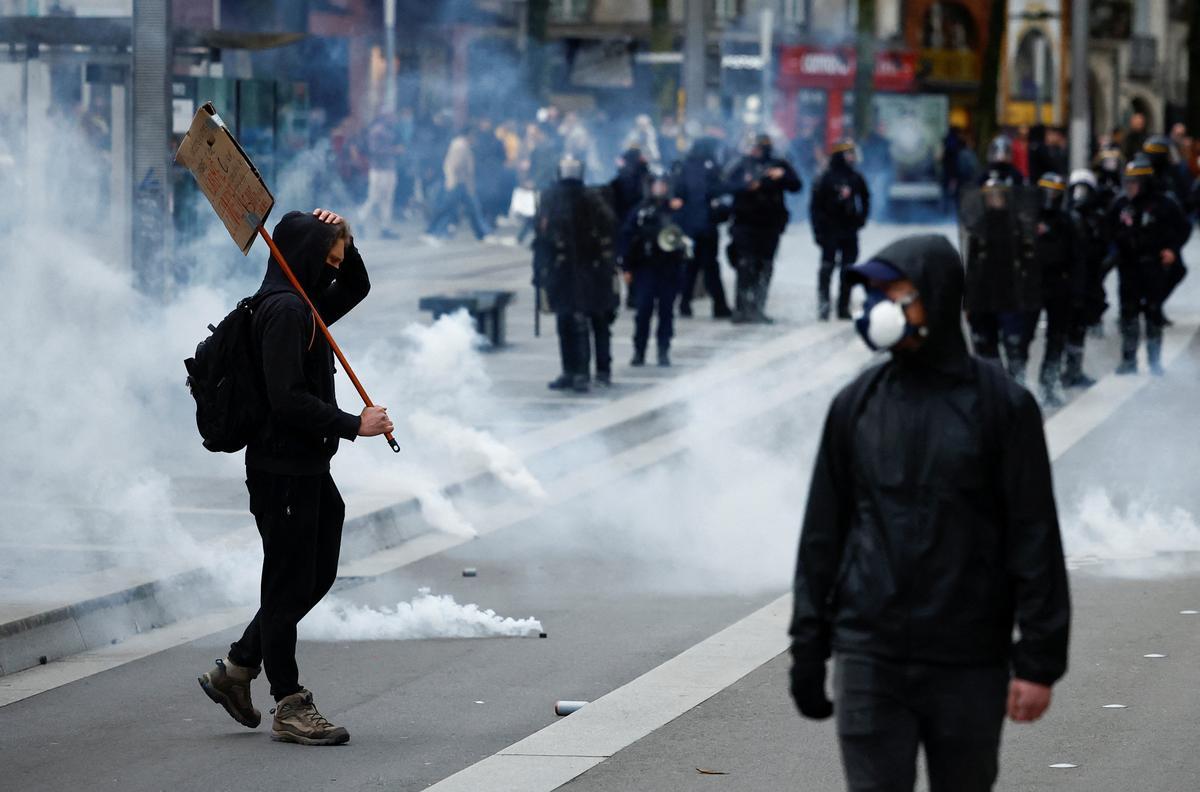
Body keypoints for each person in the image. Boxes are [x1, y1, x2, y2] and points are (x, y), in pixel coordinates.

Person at [789, 234, 1071, 792]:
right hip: (870, 653)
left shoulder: (1002, 406)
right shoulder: (856, 404)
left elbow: (1033, 537)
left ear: (937, 298)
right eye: (874, 293)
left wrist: (1039, 662)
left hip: (967, 658)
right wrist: (807, 648)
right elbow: (824, 534)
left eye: (895, 291)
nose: (880, 306)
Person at [198, 209, 391, 746]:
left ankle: (237, 669)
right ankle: (289, 703)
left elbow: (359, 285)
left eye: (336, 262)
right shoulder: (285, 311)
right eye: (327, 262)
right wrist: (356, 424)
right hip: (281, 471)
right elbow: (287, 402)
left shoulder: (306, 302)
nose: (334, 273)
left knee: (315, 573)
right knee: (285, 587)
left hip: (307, 468)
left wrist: (344, 240)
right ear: (305, 259)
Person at [534, 155, 619, 391]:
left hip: (590, 269)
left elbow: (609, 229)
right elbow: (541, 239)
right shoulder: (551, 199)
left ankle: (598, 371)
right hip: (563, 270)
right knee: (565, 320)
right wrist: (539, 270)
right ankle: (570, 370)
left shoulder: (593, 198)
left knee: (595, 320)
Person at [1110, 156, 1189, 375]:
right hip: (1128, 266)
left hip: (1153, 265)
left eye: (1134, 183)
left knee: (1153, 312)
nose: (1130, 187)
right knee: (1128, 313)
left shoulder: (1165, 203)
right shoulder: (1120, 204)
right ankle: (1128, 360)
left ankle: (1155, 361)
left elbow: (1183, 228)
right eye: (1127, 183)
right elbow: (1108, 230)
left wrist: (1172, 249)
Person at [724, 133, 802, 323]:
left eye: (759, 148)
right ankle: (741, 308)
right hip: (744, 223)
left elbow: (796, 185)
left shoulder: (778, 165)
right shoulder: (740, 164)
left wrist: (782, 176)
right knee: (744, 265)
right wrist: (746, 186)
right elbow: (725, 184)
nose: (755, 151)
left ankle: (758, 308)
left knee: (764, 267)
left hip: (770, 225)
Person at [623, 170, 687, 367]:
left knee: (666, 312)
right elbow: (627, 237)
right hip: (646, 267)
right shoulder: (640, 211)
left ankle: (663, 350)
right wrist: (626, 266)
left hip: (669, 268)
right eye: (656, 185)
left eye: (663, 185)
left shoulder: (676, 210)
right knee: (643, 311)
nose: (659, 188)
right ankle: (639, 351)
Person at [1031, 173, 1079, 407]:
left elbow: (1078, 258)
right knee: (1020, 337)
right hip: (1031, 283)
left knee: (1056, 337)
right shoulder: (1026, 218)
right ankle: (1017, 379)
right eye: (1046, 192)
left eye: (1055, 193)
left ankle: (1048, 382)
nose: (1050, 198)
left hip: (1059, 284)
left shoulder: (1068, 221)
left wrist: (1077, 290)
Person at [672, 136, 732, 319]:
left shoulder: (683, 166)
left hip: (689, 225)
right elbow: (720, 190)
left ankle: (685, 304)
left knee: (690, 265)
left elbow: (678, 192)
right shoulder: (712, 167)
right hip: (706, 225)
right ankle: (719, 306)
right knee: (710, 266)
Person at [811, 138, 871, 320]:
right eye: (848, 154)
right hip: (829, 229)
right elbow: (814, 206)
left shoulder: (855, 177)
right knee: (827, 268)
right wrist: (818, 231)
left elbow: (866, 198)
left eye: (853, 154)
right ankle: (824, 306)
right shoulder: (825, 177)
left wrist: (862, 218)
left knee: (848, 268)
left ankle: (843, 306)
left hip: (849, 228)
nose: (852, 157)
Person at [1064, 169, 1108, 387]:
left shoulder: (1098, 218)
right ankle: (1059, 373)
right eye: (1076, 190)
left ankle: (1074, 369)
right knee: (1062, 326)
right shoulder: (1062, 217)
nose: (1080, 195)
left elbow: (1108, 246)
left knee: (1080, 325)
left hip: (1089, 278)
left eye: (1085, 190)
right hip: (1066, 280)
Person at [424, 126, 493, 242]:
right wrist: (451, 182)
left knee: (473, 209)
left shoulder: (462, 145)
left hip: (462, 184)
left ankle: (483, 233)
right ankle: (431, 232)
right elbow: (451, 166)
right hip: (456, 184)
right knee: (446, 208)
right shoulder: (459, 146)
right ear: (470, 135)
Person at [359, 113, 402, 238]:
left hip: (388, 169)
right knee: (374, 198)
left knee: (387, 199)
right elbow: (374, 151)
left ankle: (385, 228)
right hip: (379, 170)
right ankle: (361, 219)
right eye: (391, 117)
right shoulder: (376, 131)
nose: (394, 119)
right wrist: (394, 150)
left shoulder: (389, 130)